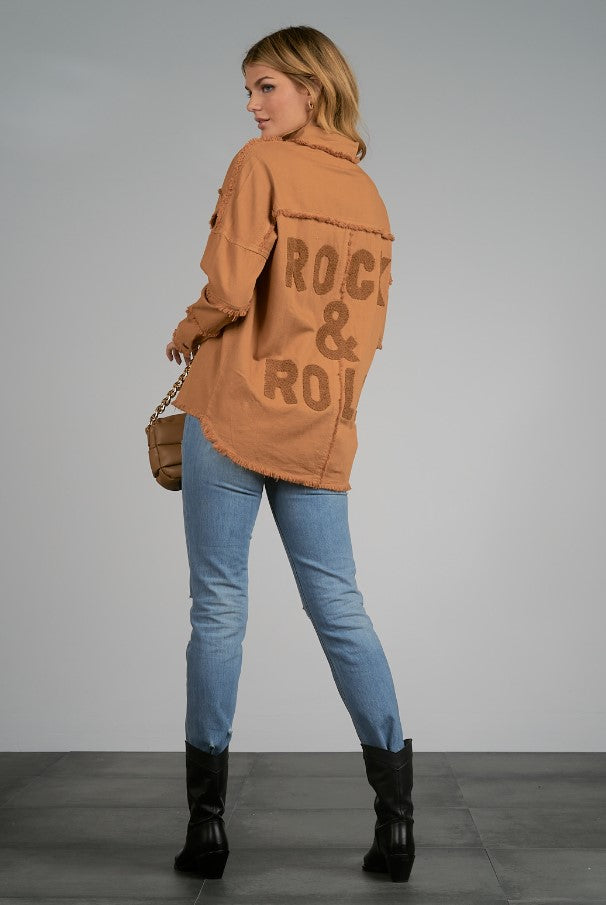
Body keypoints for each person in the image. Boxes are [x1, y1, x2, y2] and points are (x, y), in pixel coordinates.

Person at [165, 25, 415, 884]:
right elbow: (369, 333)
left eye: (265, 85)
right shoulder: (370, 195)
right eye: (249, 89)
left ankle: (207, 828)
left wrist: (188, 327)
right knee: (339, 605)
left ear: (312, 85)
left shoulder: (259, 164)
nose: (252, 104)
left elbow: (230, 289)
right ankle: (396, 823)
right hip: (317, 424)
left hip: (233, 412)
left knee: (218, 607)